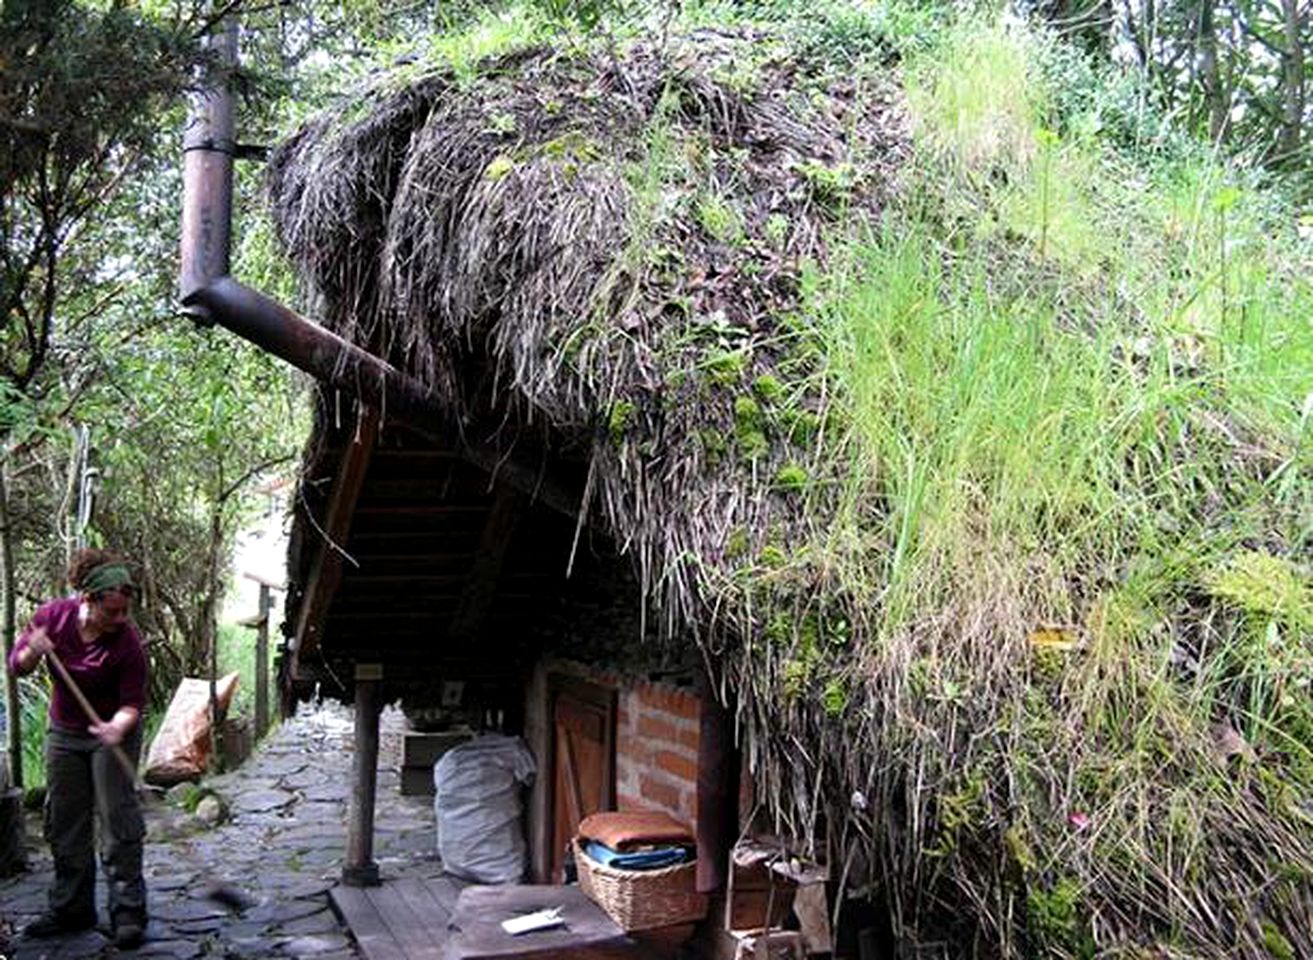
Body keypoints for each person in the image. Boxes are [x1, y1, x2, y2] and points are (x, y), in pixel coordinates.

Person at [7, 548, 148, 949]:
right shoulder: (53, 618)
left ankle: (127, 912)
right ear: (88, 599)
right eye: (113, 611)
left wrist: (115, 727)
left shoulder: (127, 643)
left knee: (118, 820)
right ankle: (71, 908)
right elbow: (17, 666)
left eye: (125, 611)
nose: (121, 620)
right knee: (66, 823)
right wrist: (33, 649)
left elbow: (132, 703)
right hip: (66, 733)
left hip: (112, 733)